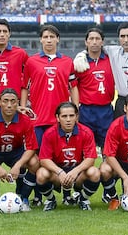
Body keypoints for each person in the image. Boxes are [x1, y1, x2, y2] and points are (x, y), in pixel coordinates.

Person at [20, 24, 78, 206]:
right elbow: (24, 87)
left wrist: (75, 110)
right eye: (45, 37)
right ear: (41, 39)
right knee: (36, 160)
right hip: (38, 119)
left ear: (58, 39)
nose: (49, 40)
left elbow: (74, 87)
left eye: (52, 37)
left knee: (62, 159)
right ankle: (39, 196)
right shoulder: (31, 61)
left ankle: (67, 195)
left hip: (60, 120)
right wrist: (22, 108)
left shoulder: (68, 62)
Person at [0, 18, 29, 206]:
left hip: (14, 106)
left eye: (5, 31)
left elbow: (28, 80)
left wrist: (23, 104)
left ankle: (21, 194)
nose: (1, 34)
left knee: (18, 147)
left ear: (9, 34)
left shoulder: (21, 54)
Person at [73, 27, 115, 203]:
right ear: (86, 42)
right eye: (91, 38)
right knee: (84, 154)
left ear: (102, 41)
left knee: (108, 154)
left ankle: (109, 192)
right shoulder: (80, 62)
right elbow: (72, 85)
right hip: (87, 112)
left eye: (98, 38)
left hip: (106, 111)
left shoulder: (111, 60)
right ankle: (78, 189)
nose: (95, 41)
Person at [36, 102, 100, 211]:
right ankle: (51, 200)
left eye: (71, 116)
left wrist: (76, 171)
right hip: (57, 174)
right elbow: (44, 159)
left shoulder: (86, 132)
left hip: (78, 173)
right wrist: (59, 172)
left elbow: (91, 158)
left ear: (77, 117)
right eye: (64, 116)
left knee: (94, 172)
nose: (68, 119)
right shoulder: (49, 133)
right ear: (57, 118)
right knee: (41, 174)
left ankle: (83, 199)